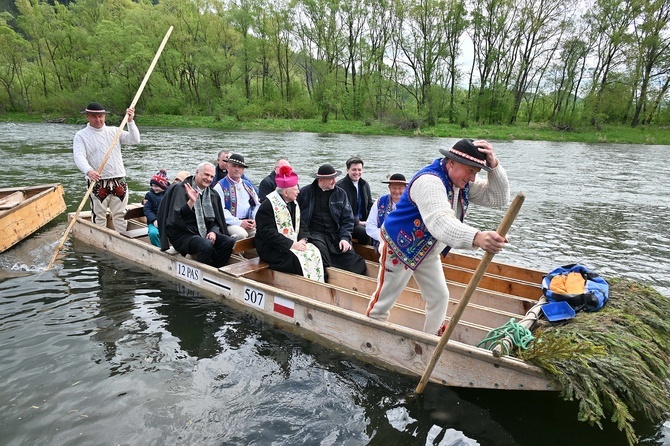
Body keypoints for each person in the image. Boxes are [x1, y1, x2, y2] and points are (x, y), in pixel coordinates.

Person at [366, 139, 510, 335]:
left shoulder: (460, 180)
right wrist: (477, 237)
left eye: (476, 172)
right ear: (451, 163)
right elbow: (440, 222)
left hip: (427, 250)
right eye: (471, 171)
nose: (473, 178)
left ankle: (430, 340)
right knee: (384, 301)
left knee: (440, 297)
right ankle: (370, 332)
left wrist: (494, 166)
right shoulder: (429, 182)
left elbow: (498, 198)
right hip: (399, 247)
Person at [73, 102, 140, 232]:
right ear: (87, 116)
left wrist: (130, 121)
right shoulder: (81, 136)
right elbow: (79, 157)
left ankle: (122, 241)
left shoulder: (115, 131)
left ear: (104, 116)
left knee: (120, 215)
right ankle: (100, 240)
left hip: (118, 179)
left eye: (100, 116)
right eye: (94, 116)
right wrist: (89, 171)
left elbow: (134, 140)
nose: (98, 119)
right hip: (97, 181)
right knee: (99, 216)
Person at [157, 162, 235, 268]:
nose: (209, 179)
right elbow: (175, 219)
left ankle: (214, 268)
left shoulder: (212, 194)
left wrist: (213, 231)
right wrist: (191, 202)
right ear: (197, 173)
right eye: (206, 175)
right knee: (205, 245)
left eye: (212, 176)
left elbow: (217, 220)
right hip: (183, 234)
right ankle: (204, 273)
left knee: (229, 242)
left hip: (204, 232)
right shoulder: (180, 189)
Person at [255, 165, 325, 282]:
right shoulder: (267, 206)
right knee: (296, 260)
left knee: (316, 251)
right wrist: (292, 244)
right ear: (286, 192)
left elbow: (301, 224)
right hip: (271, 248)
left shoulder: (293, 203)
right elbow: (268, 234)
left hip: (292, 243)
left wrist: (303, 240)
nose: (298, 191)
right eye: (295, 189)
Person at [297, 164, 367, 276]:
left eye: (334, 178)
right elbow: (298, 219)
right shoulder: (305, 193)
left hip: (336, 234)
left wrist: (345, 237)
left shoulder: (340, 194)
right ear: (320, 180)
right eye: (330, 178)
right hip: (314, 234)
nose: (334, 181)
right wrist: (303, 237)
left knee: (355, 262)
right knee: (321, 254)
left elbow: (347, 220)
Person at [212, 153, 260, 240]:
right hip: (229, 223)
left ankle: (250, 254)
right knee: (241, 234)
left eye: (240, 167)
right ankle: (232, 252)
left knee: (261, 233)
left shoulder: (247, 184)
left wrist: (254, 219)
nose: (237, 169)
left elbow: (256, 204)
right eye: (234, 166)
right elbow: (220, 211)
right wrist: (239, 222)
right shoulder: (220, 186)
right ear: (227, 167)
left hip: (248, 221)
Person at [365, 173, 408, 253]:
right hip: (383, 243)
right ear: (389, 187)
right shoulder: (380, 202)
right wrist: (386, 238)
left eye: (400, 188)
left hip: (406, 244)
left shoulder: (411, 204)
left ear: (405, 188)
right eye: (394, 188)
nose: (397, 191)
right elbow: (370, 226)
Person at [336, 156, 374, 246]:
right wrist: (358, 222)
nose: (357, 172)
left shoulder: (364, 185)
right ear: (347, 170)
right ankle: (367, 256)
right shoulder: (340, 187)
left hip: (364, 221)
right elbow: (339, 213)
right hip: (347, 225)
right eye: (354, 170)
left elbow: (369, 205)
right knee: (365, 233)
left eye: (359, 170)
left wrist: (373, 221)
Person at [143, 169, 170, 247]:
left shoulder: (169, 194)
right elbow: (147, 210)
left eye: (157, 186)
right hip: (154, 221)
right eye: (152, 186)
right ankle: (158, 248)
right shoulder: (149, 195)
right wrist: (154, 220)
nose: (154, 188)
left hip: (167, 220)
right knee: (153, 233)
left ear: (163, 186)